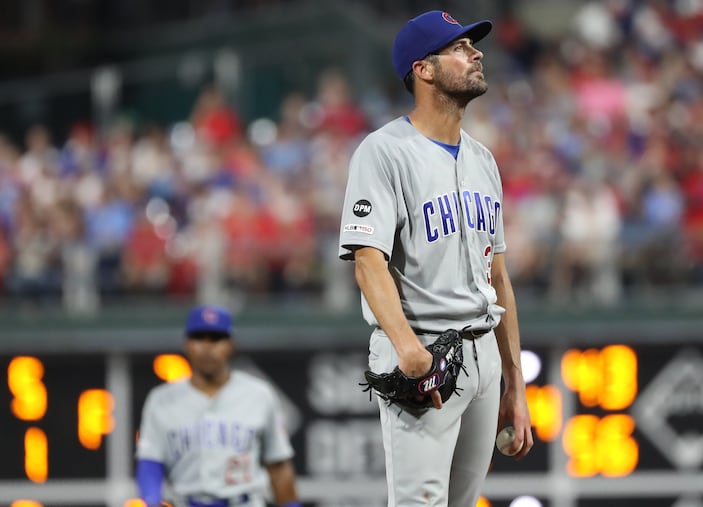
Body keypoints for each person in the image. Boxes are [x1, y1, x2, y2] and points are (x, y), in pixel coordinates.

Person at [337, 10, 534, 506]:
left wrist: (515, 381)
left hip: (483, 352)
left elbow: (498, 275)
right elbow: (368, 261)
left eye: (473, 45)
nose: (476, 53)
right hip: (425, 349)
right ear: (423, 69)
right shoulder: (383, 151)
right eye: (459, 48)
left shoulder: (482, 158)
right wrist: (408, 351)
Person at [135, 304, 302, 507]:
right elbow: (150, 462)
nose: (207, 347)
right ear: (186, 343)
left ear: (230, 344)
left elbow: (279, 466)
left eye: (216, 338)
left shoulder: (259, 394)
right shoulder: (161, 399)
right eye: (199, 337)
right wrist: (151, 501)